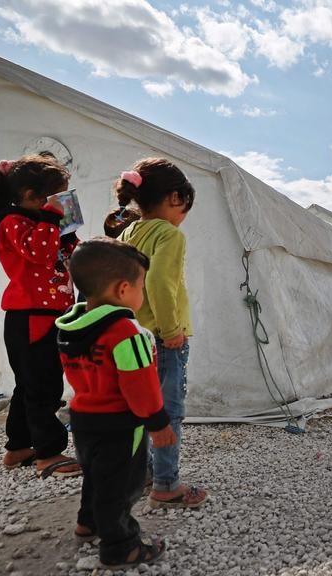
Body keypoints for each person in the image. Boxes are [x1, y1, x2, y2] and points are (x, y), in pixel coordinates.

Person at [56, 238, 175, 568]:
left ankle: (88, 523)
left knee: (96, 475)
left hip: (83, 418)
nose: (142, 295)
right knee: (122, 486)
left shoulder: (72, 328)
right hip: (120, 423)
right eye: (142, 287)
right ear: (123, 290)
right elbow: (141, 386)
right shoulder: (127, 333)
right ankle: (121, 546)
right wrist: (158, 423)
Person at [0, 155, 81, 478]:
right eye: (56, 196)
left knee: (31, 385)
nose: (62, 201)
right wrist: (51, 220)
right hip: (30, 317)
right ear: (33, 197)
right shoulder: (12, 223)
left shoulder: (41, 223)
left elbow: (63, 256)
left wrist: (69, 233)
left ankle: (18, 447)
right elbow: (39, 252)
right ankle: (49, 453)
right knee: (42, 388)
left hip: (50, 314)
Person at [116, 159, 208, 509]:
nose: (183, 216)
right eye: (185, 207)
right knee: (170, 410)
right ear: (174, 198)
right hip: (163, 337)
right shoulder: (170, 234)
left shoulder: (127, 232)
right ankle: (167, 484)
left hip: (134, 334)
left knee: (142, 407)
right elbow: (158, 282)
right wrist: (171, 331)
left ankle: (145, 474)